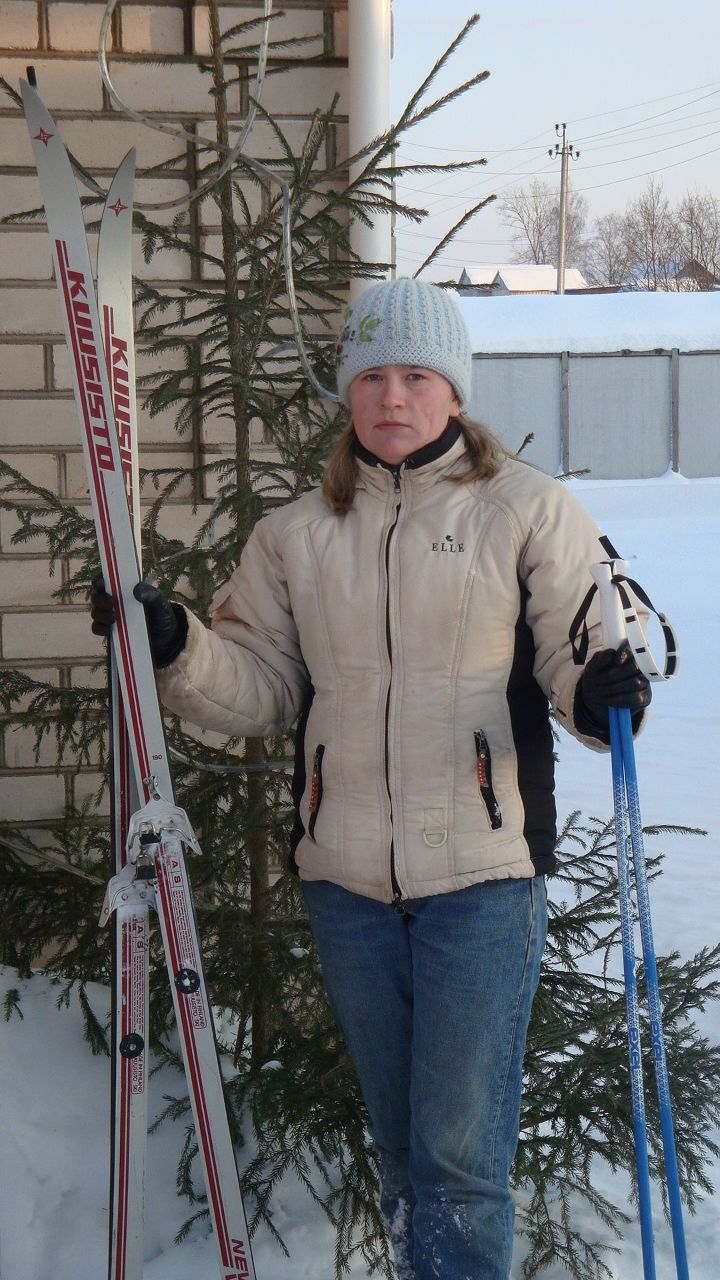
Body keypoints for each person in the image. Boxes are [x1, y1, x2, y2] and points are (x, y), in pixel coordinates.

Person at [91, 279, 650, 1280]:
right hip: (345, 878)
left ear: (455, 391)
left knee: (460, 1159)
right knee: (399, 1144)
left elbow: (579, 653)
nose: (395, 397)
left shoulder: (527, 509)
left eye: (418, 375)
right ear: (349, 393)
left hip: (482, 878)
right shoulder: (296, 534)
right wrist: (176, 646)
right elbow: (258, 684)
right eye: (374, 376)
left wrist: (603, 691)